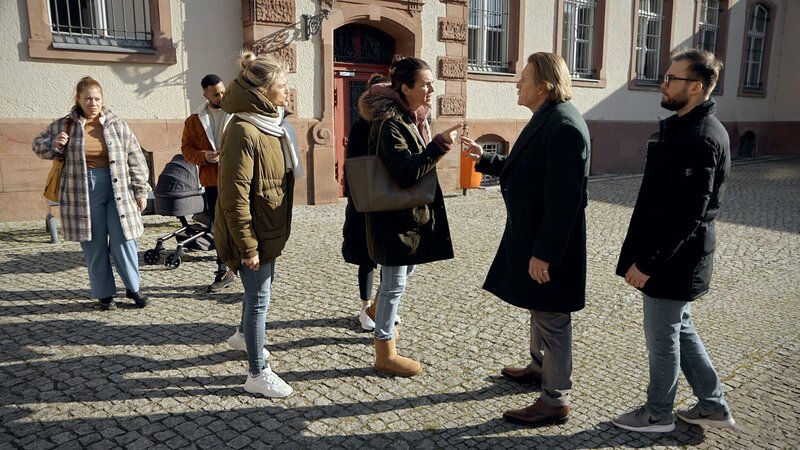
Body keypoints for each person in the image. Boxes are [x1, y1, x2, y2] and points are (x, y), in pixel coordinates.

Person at [462, 52, 590, 426]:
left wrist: (545, 254)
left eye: (523, 79)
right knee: (540, 306)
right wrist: (485, 160)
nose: (516, 84)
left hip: (549, 244)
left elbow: (564, 201)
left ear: (544, 86)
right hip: (533, 236)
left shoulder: (564, 125)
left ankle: (555, 398)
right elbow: (529, 172)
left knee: (553, 315)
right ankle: (539, 367)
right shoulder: (548, 118)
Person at [611, 49, 734, 433]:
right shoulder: (684, 128)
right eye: (665, 77)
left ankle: (657, 414)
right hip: (677, 258)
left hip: (674, 261)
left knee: (664, 338)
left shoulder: (700, 138)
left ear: (696, 87)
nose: (662, 85)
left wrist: (648, 263)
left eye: (671, 79)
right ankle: (712, 404)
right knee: (680, 327)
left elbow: (685, 215)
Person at [358, 56, 461, 377]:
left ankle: (377, 310)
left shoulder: (410, 118)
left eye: (432, 82)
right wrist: (438, 147)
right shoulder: (392, 124)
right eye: (425, 84)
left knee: (406, 270)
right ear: (406, 88)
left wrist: (433, 144)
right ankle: (384, 351)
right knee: (394, 283)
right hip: (392, 217)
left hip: (405, 216)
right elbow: (405, 173)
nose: (432, 88)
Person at [215, 52, 302, 398]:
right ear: (263, 91)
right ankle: (256, 373)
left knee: (257, 295)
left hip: (268, 226)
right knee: (259, 299)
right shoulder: (243, 129)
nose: (287, 91)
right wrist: (247, 246)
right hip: (252, 232)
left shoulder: (271, 121)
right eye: (281, 85)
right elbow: (233, 196)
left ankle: (241, 336)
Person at [33, 77, 151, 310]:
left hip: (118, 188)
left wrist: (141, 190)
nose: (93, 103)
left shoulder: (117, 124)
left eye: (97, 98)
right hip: (82, 191)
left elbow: (135, 157)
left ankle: (134, 288)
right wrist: (55, 144)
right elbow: (38, 146)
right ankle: (104, 294)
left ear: (102, 99)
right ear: (78, 99)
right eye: (88, 98)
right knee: (94, 243)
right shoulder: (64, 125)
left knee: (124, 239)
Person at [342, 73, 390, 331]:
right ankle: (365, 306)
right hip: (364, 200)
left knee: (388, 256)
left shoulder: (392, 123)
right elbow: (353, 165)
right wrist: (357, 198)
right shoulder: (361, 125)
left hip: (385, 199)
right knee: (366, 257)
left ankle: (384, 303)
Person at [181, 74, 234, 293]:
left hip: (238, 178)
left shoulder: (238, 113)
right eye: (215, 94)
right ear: (205, 94)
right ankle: (224, 269)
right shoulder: (194, 119)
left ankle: (248, 266)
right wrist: (205, 156)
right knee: (219, 228)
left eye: (223, 91)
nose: (221, 96)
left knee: (242, 224)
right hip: (213, 181)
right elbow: (186, 150)